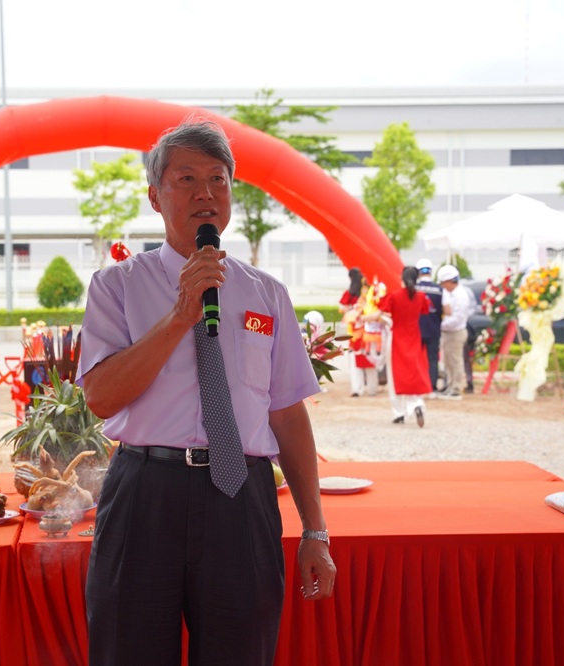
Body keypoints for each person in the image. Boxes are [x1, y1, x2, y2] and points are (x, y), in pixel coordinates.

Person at [79, 119, 336, 665]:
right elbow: (100, 396)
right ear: (155, 195)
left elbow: (288, 414)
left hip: (239, 497)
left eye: (218, 180)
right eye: (186, 179)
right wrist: (179, 316)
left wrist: (317, 530)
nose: (205, 193)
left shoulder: (268, 293)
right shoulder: (117, 286)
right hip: (144, 492)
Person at [367, 266, 431, 425]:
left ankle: (398, 412)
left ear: (402, 278)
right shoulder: (421, 296)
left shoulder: (394, 296)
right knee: (413, 372)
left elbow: (379, 314)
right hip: (414, 338)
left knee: (394, 376)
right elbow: (426, 311)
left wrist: (363, 318)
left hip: (396, 338)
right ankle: (417, 404)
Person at [339, 268, 378, 397]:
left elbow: (343, 310)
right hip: (369, 331)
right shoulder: (368, 294)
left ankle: (357, 389)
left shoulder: (348, 294)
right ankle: (372, 389)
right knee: (370, 357)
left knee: (355, 360)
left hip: (354, 332)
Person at [438, 264, 473, 400]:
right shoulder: (450, 293)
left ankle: (457, 388)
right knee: (447, 361)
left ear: (448, 281)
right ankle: (450, 386)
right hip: (448, 332)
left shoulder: (461, 296)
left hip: (455, 332)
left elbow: (457, 318)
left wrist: (439, 325)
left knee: (455, 361)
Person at [414, 258, 443, 396]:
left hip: (416, 330)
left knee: (416, 358)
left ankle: (417, 385)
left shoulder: (413, 289)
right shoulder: (439, 289)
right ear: (431, 271)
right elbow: (446, 310)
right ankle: (432, 387)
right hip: (434, 330)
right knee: (433, 359)